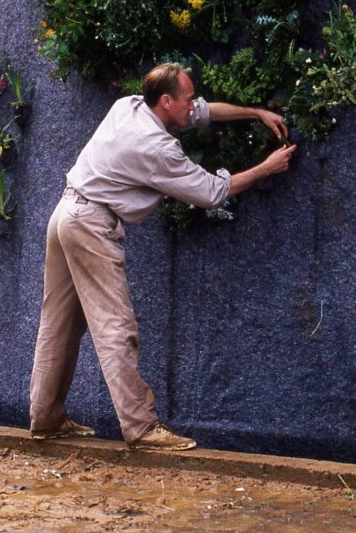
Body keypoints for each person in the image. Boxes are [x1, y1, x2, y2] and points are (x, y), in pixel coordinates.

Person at [28, 62, 296, 450]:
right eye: (186, 99)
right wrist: (265, 169)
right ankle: (141, 427)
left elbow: (202, 112)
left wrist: (255, 112)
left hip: (65, 214)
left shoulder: (131, 105)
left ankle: (45, 417)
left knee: (58, 323)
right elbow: (210, 193)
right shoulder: (155, 147)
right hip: (90, 224)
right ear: (166, 101)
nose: (193, 105)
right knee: (116, 327)